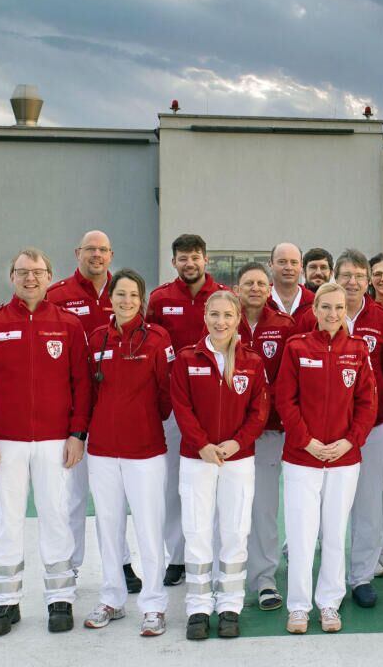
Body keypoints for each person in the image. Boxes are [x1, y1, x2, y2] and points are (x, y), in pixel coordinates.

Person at [0, 248, 91, 636]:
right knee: (7, 520)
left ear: (50, 277)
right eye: (22, 272)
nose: (30, 278)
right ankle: (4, 603)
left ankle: (60, 598)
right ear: (12, 277)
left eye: (37, 272)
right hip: (5, 443)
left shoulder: (68, 325)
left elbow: (82, 383)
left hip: (56, 442)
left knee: (57, 517)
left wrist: (77, 433)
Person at [297, 251, 383, 609]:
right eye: (346, 275)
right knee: (325, 504)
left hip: (371, 428)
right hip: (322, 434)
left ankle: (361, 576)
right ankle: (327, 573)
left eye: (359, 276)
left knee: (368, 502)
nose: (353, 282)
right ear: (335, 278)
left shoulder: (381, 319)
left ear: (368, 280)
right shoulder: (311, 317)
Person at [276, 283, 378, 634]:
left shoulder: (358, 350)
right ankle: (299, 606)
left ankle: (329, 602)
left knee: (335, 533)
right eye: (326, 307)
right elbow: (285, 400)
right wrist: (307, 442)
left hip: (343, 460)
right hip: (302, 458)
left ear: (345, 311)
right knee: (301, 535)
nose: (333, 314)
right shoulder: (296, 347)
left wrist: (350, 442)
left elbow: (367, 403)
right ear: (315, 310)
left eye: (339, 308)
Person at [170, 290, 270, 640]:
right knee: (197, 531)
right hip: (197, 459)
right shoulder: (187, 358)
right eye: (215, 314)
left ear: (238, 318)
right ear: (205, 317)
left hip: (237, 460)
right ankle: (198, 607)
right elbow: (181, 406)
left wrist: (237, 442)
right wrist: (202, 444)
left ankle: (230, 605)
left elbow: (259, 410)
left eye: (228, 315)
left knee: (235, 531)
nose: (221, 321)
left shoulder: (252, 361)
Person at [45, 230, 139, 592]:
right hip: (73, 413)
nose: (96, 255)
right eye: (90, 250)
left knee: (115, 498)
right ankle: (69, 565)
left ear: (111, 254)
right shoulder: (58, 295)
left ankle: (122, 562)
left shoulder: (124, 292)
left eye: (102, 250)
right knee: (73, 496)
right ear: (77, 253)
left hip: (114, 411)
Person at [82, 269, 174, 636]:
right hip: (102, 450)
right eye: (120, 294)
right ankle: (113, 598)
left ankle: (153, 604)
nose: (126, 301)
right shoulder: (96, 339)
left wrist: (143, 419)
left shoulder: (158, 339)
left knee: (149, 527)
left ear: (142, 300)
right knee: (108, 526)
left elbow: (166, 394)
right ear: (111, 299)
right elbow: (89, 391)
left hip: (145, 450)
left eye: (133, 295)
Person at [146, 234, 231, 588]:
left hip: (215, 405)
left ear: (206, 259)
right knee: (175, 485)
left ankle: (216, 556)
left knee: (216, 483)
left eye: (195, 257)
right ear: (174, 262)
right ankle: (178, 557)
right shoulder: (160, 299)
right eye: (183, 258)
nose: (189, 263)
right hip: (174, 406)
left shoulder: (223, 296)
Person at [234, 262, 296, 611]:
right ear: (237, 288)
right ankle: (228, 576)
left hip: (270, 431)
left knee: (264, 508)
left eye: (261, 283)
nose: (255, 288)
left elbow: (289, 379)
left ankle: (264, 578)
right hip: (231, 434)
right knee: (230, 508)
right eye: (249, 283)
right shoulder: (226, 321)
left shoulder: (284, 326)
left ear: (269, 288)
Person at [269, 242, 316, 323]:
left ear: (301, 266)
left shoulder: (315, 302)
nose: (288, 267)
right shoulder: (260, 300)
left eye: (294, 262)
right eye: (282, 262)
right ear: (271, 264)